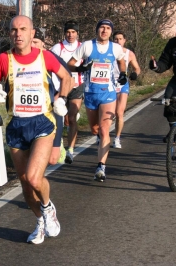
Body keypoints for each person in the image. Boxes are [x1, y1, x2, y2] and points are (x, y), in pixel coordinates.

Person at [0, 15, 73, 244]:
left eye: (23, 29)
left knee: (34, 178)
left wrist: (61, 98)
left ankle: (47, 207)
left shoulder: (45, 57)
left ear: (32, 33)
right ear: (10, 34)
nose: (18, 34)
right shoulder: (4, 59)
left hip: (42, 123)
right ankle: (40, 221)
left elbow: (67, 77)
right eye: (14, 30)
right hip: (16, 125)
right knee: (24, 181)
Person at [67, 19, 127, 182]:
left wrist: (123, 73)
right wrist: (81, 68)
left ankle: (101, 167)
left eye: (108, 28)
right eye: (102, 27)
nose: (105, 31)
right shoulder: (86, 46)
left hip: (108, 93)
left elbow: (122, 60)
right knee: (95, 129)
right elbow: (70, 64)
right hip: (91, 93)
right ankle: (98, 137)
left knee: (105, 129)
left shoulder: (115, 48)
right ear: (97, 30)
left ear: (111, 32)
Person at [31, 27, 68, 165]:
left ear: (43, 44)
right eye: (30, 42)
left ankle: (59, 143)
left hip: (52, 110)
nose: (32, 45)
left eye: (35, 42)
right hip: (32, 112)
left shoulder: (51, 58)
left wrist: (60, 98)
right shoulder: (22, 59)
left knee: (53, 159)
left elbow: (70, 80)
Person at [51, 20, 84, 164]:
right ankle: (57, 147)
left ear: (77, 33)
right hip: (61, 87)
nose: (70, 35)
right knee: (62, 118)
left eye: (73, 32)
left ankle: (70, 150)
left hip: (77, 86)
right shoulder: (58, 48)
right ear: (65, 33)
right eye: (68, 32)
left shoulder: (83, 47)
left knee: (71, 118)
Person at [112, 30, 141, 148]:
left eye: (120, 39)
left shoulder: (129, 53)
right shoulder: (109, 51)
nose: (118, 41)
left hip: (122, 84)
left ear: (124, 41)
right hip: (108, 84)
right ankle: (100, 134)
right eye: (115, 39)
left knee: (119, 112)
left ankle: (117, 138)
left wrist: (135, 74)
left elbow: (137, 68)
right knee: (107, 113)